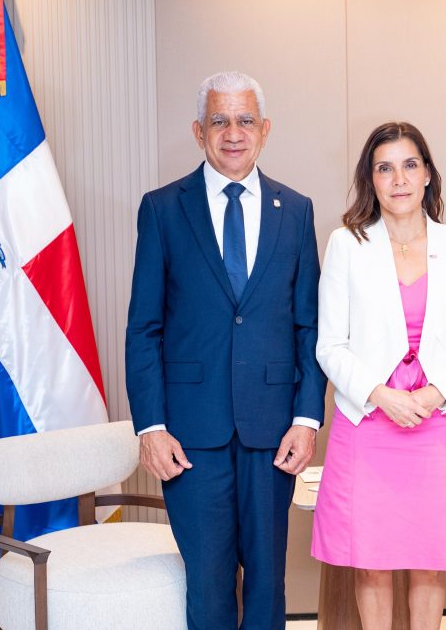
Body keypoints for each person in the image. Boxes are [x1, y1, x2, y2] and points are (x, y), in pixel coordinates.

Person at [125, 71, 325, 630]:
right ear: (198, 131)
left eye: (244, 121)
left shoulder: (297, 210)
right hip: (190, 435)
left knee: (267, 582)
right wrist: (151, 427)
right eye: (219, 121)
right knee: (209, 585)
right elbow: (143, 328)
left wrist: (307, 419)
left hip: (273, 431)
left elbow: (309, 327)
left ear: (265, 129)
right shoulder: (163, 209)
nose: (233, 133)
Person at [312, 122, 446, 630]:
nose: (399, 179)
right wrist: (380, 396)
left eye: (410, 165)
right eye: (385, 168)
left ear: (428, 173)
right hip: (369, 422)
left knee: (430, 560)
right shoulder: (347, 244)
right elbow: (330, 345)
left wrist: (434, 395)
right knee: (371, 561)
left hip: (438, 424)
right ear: (371, 180)